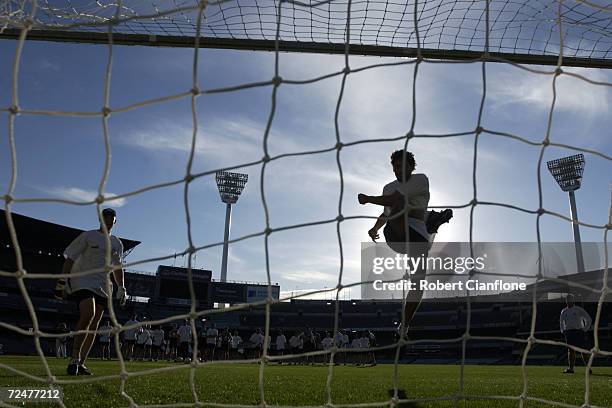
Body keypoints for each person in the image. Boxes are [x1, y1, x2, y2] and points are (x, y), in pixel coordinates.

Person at [357, 150, 433, 340]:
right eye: (395, 166)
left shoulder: (420, 180)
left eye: (401, 166)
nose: (397, 170)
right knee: (399, 206)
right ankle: (431, 221)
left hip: (418, 238)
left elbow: (395, 200)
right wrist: (374, 228)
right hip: (396, 234)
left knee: (418, 284)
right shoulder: (388, 187)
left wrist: (368, 199)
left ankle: (404, 327)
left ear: (411, 166)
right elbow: (388, 210)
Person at [62, 208, 128, 375]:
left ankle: (81, 363)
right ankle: (74, 358)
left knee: (94, 325)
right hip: (83, 280)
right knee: (88, 314)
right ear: (100, 219)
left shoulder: (117, 243)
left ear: (115, 221)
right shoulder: (88, 236)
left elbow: (117, 267)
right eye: (105, 217)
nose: (108, 220)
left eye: (111, 218)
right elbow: (70, 258)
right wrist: (63, 280)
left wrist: (121, 287)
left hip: (104, 285)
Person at [560, 294, 592, 374]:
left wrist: (584, 329)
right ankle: (571, 369)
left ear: (573, 300)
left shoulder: (578, 309)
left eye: (570, 299)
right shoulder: (564, 311)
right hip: (569, 333)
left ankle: (589, 369)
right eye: (567, 299)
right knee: (570, 351)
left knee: (583, 351)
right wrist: (563, 330)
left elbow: (588, 319)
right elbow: (561, 322)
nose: (568, 301)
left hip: (579, 332)